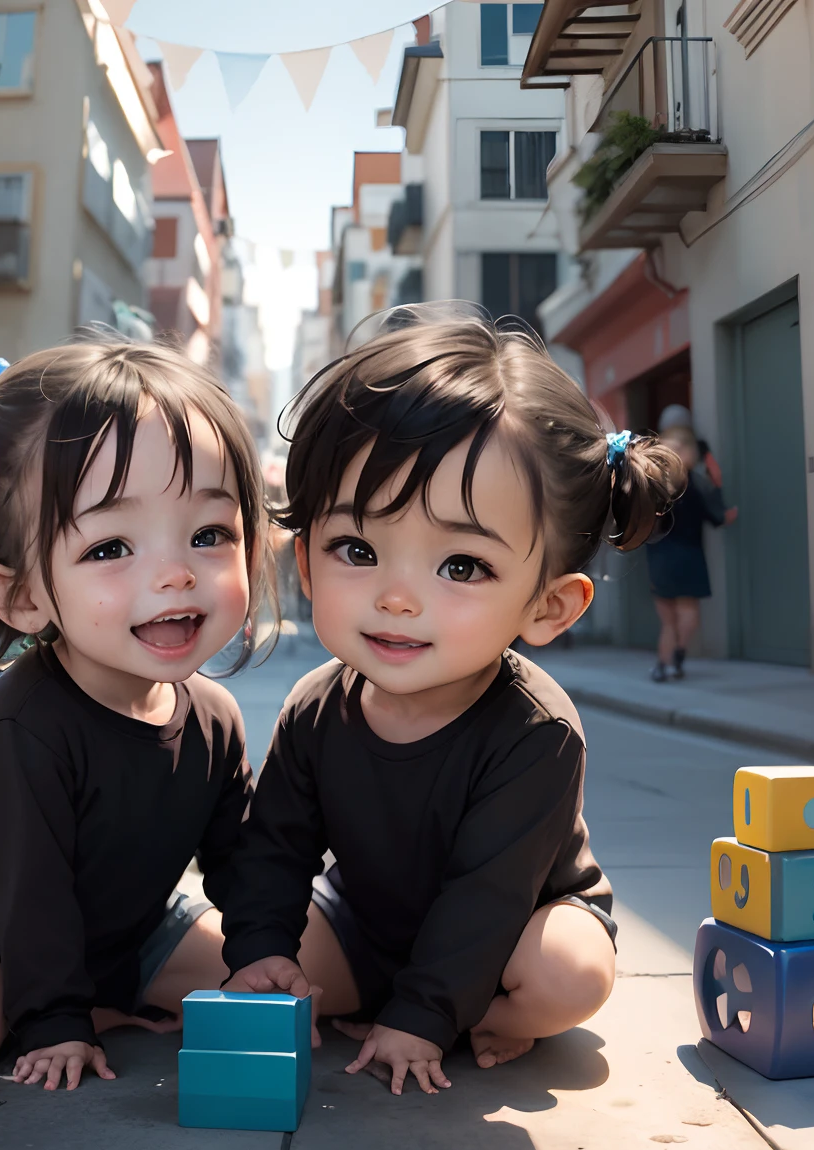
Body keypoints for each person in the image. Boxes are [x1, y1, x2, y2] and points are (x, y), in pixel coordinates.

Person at [219, 312, 684, 1096]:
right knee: (226, 962)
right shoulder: (314, 709)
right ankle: (397, 992)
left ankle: (485, 1016)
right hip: (365, 921)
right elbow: (274, 848)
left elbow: (488, 893)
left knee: (568, 975)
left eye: (462, 566)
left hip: (514, 931)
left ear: (549, 606)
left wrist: (424, 1017)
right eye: (358, 551)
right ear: (305, 562)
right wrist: (261, 949)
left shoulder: (536, 732)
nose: (398, 598)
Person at [0, 333, 272, 1090]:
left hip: (117, 927)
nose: (176, 574)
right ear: (22, 596)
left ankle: (88, 985)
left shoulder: (212, 717)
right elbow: (28, 888)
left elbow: (241, 858)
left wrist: (262, 947)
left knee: (268, 979)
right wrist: (54, 1022)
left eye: (209, 534)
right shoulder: (23, 728)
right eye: (112, 547)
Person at [645, 408, 729, 682]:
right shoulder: (695, 483)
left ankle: (663, 664)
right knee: (687, 613)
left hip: (659, 556)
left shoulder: (652, 483)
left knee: (668, 621)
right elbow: (716, 513)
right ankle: (677, 655)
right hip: (689, 554)